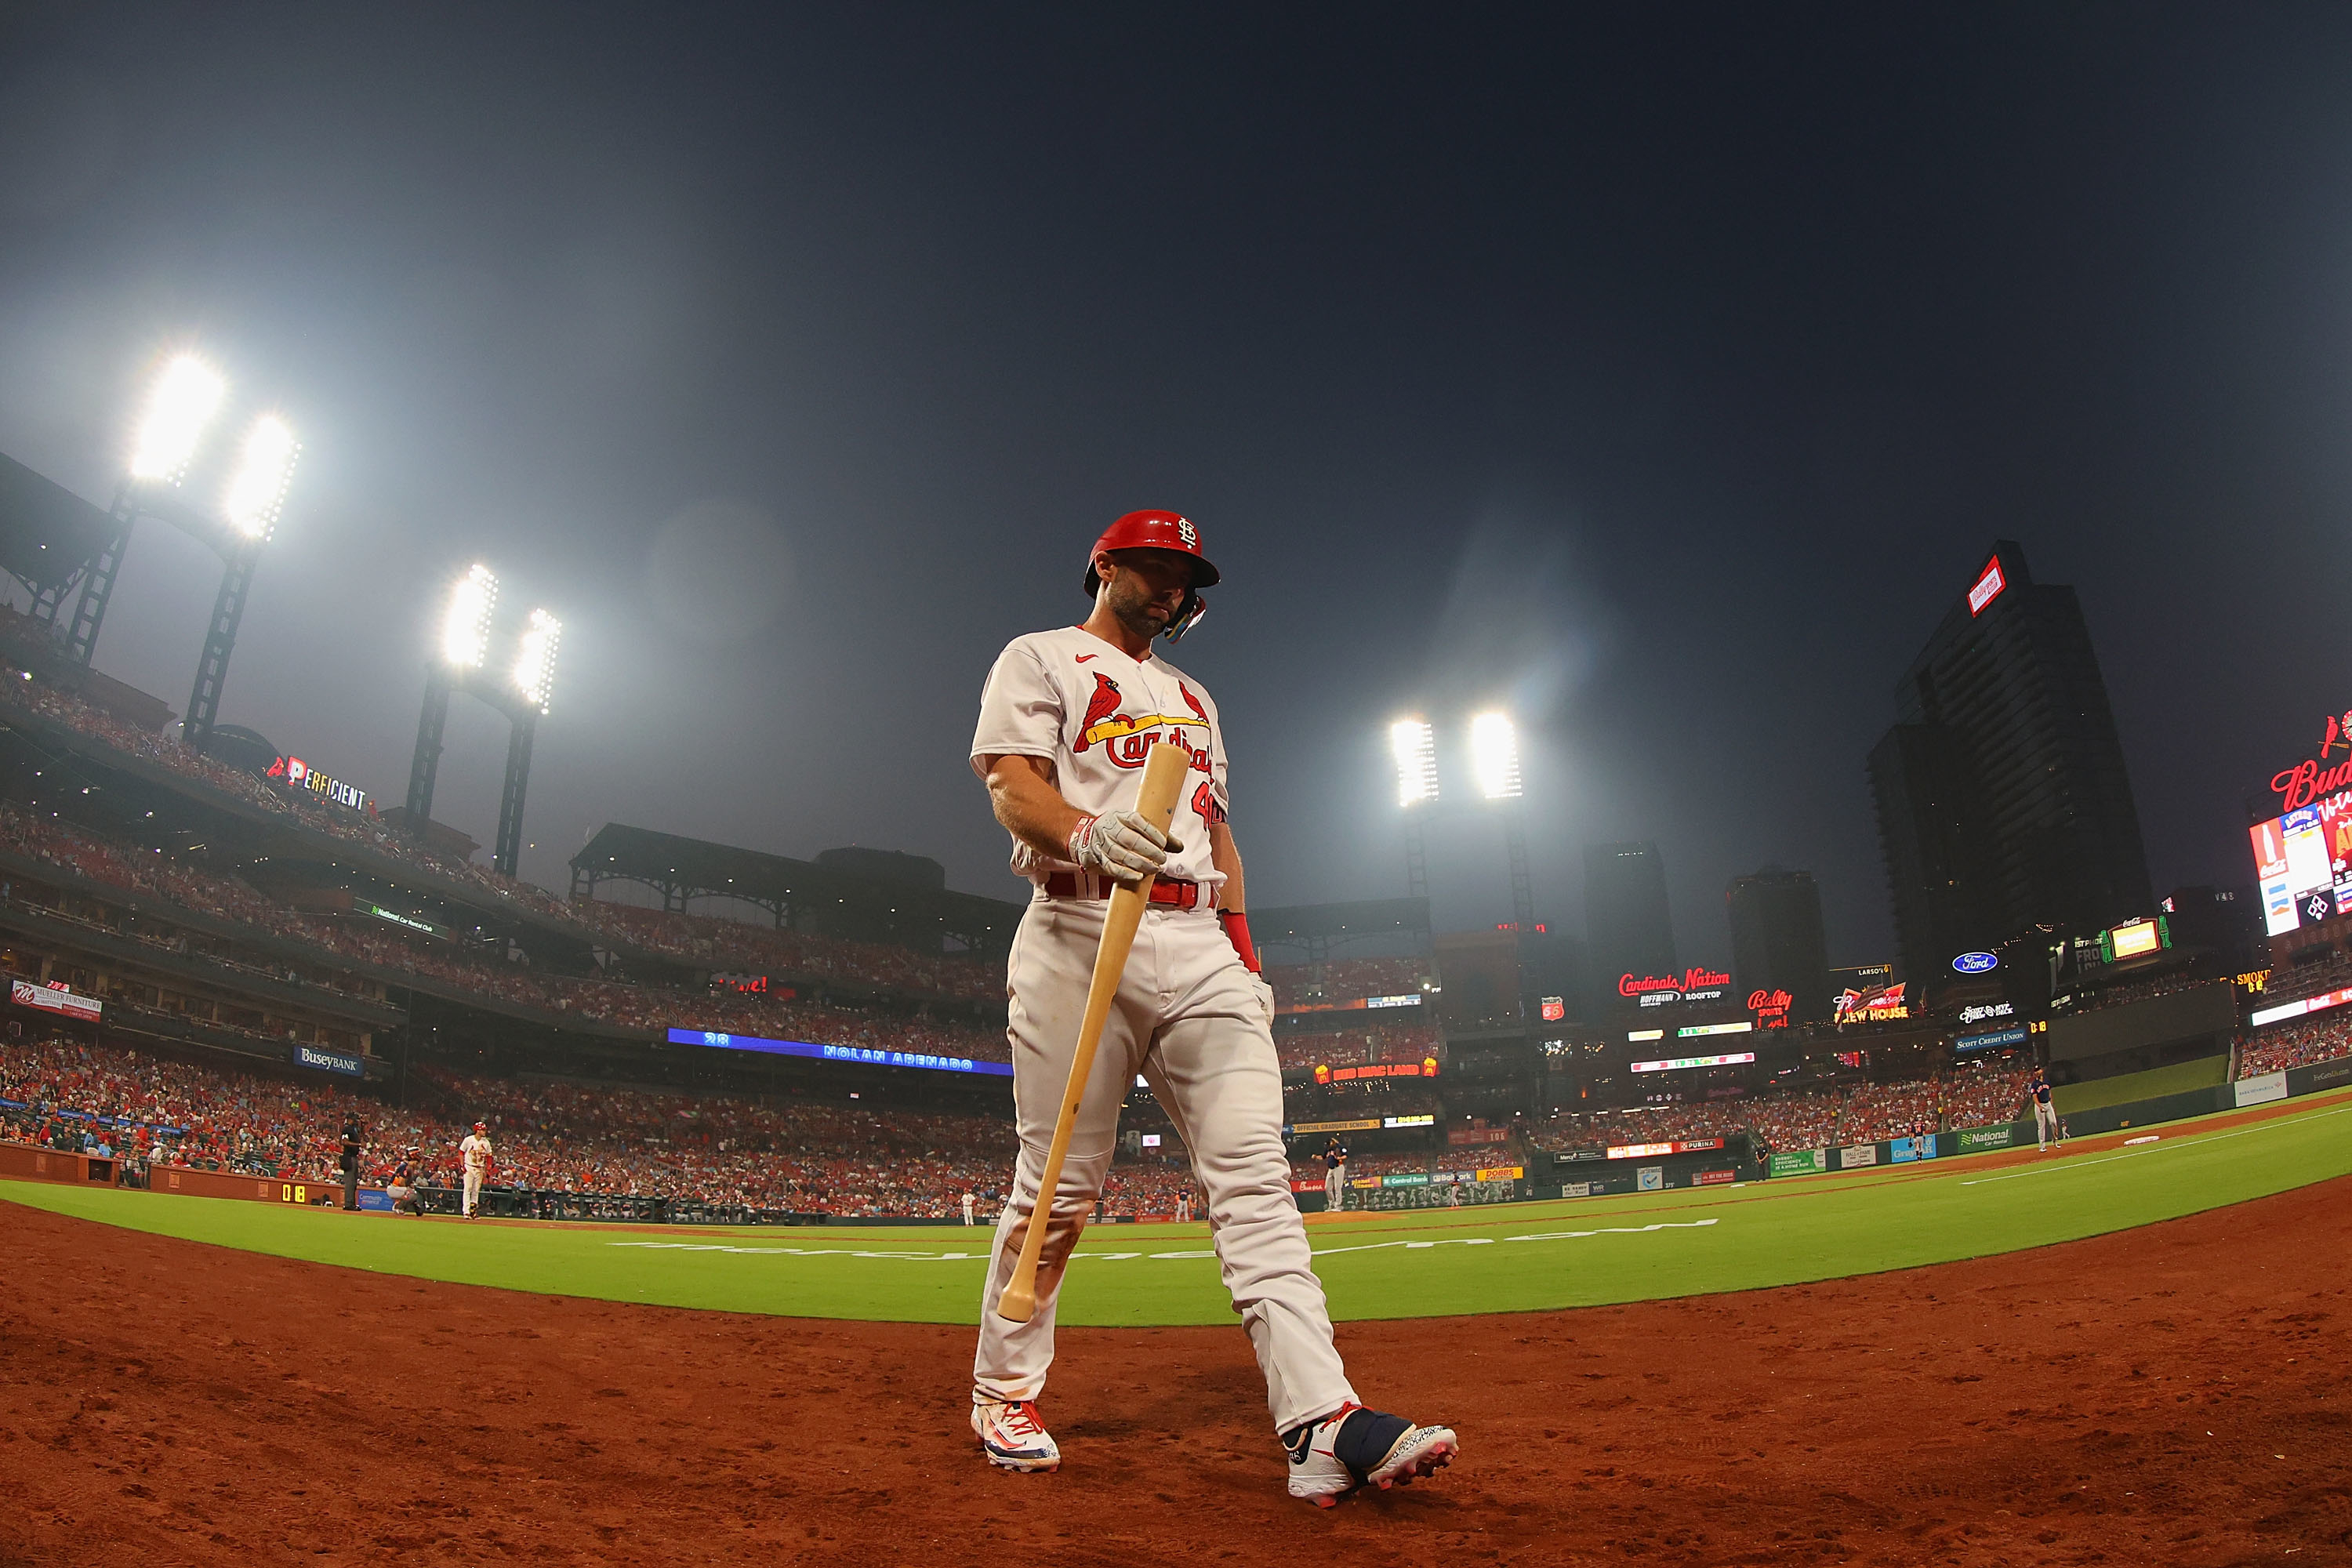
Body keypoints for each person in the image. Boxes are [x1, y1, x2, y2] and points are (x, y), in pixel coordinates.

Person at [965, 510, 1456, 1506]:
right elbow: (1013, 786)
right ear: (1105, 565)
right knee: (1059, 1182)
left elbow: (1219, 838)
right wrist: (1088, 832)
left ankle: (1320, 1421)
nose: (1174, 588)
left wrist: (1244, 951)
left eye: (1187, 577)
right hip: (1076, 925)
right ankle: (1003, 1388)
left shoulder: (1196, 697)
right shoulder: (1040, 655)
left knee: (1256, 1182)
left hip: (1196, 943)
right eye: (1156, 567)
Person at [458, 1120, 493, 1217]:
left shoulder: (486, 1142)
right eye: (482, 1130)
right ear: (477, 1130)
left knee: (476, 1190)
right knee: (467, 1189)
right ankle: (466, 1211)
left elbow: (489, 1156)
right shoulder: (469, 1140)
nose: (484, 1131)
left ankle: (473, 1211)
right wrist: (462, 1165)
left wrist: (489, 1167)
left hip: (480, 1168)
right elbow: (461, 1152)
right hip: (469, 1166)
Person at [2028, 1068, 2060, 1152]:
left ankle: (2055, 1140)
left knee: (2053, 1122)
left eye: (2038, 1070)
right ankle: (2042, 1146)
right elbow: (2034, 1097)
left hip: (2048, 1103)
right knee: (2041, 1125)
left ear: (2041, 1071)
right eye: (2035, 1071)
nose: (2037, 1072)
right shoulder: (2034, 1084)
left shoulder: (2047, 1080)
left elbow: (2049, 1092)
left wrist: (2051, 1104)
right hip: (2039, 1105)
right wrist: (2040, 1106)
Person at [387, 1150, 421, 1216]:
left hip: (397, 1189)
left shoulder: (409, 1168)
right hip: (393, 1188)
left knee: (413, 1193)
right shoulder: (405, 1166)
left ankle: (400, 1206)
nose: (416, 1165)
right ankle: (398, 1207)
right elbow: (401, 1181)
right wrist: (408, 1188)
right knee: (411, 1193)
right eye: (416, 1162)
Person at [339, 1114, 362, 1212]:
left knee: (353, 1182)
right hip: (349, 1157)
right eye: (354, 1119)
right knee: (350, 1181)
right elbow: (344, 1142)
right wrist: (358, 1145)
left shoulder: (353, 1129)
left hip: (353, 1157)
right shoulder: (347, 1129)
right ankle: (348, 1204)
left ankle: (351, 1203)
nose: (355, 1121)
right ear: (349, 1119)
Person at [1322, 1134, 1348, 1216]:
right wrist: (1315, 1156)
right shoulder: (1328, 1150)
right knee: (1327, 1187)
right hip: (1331, 1169)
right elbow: (1323, 1157)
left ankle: (1338, 1205)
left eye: (1330, 1143)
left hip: (1338, 1168)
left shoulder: (1338, 1147)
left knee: (1337, 1187)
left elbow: (1346, 1154)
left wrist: (1339, 1158)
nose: (1329, 1144)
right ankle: (1332, 1204)